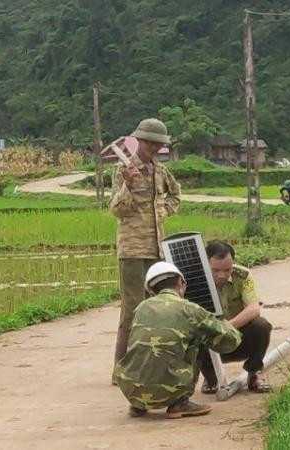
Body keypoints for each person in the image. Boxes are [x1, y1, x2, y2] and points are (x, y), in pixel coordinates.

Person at [114, 261, 241, 419]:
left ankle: (139, 405)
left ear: (151, 289)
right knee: (197, 338)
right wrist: (227, 326)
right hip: (169, 390)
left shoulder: (141, 308)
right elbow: (230, 342)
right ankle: (180, 403)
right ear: (180, 283)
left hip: (130, 389)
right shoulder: (189, 309)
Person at [110, 118, 181, 383]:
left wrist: (163, 212)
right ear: (138, 141)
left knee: (156, 307)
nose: (153, 147)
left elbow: (175, 195)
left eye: (157, 143)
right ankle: (121, 369)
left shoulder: (161, 171)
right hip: (132, 249)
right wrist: (128, 185)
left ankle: (150, 364)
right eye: (149, 142)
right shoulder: (123, 170)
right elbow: (117, 210)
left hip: (156, 249)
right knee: (132, 309)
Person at [199, 240, 273, 394]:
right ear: (205, 265)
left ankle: (253, 374)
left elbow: (254, 308)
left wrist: (227, 326)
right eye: (215, 270)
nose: (222, 275)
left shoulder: (243, 276)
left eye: (227, 270)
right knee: (192, 335)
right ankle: (210, 377)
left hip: (237, 338)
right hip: (209, 343)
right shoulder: (195, 281)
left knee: (261, 325)